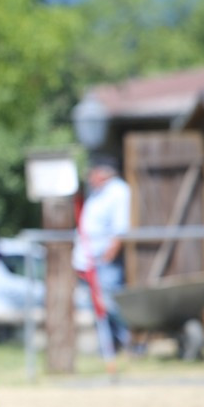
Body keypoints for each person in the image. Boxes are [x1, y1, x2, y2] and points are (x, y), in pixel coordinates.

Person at [72, 154, 131, 361]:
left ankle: (128, 342)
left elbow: (119, 230)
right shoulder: (97, 193)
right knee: (97, 307)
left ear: (103, 172)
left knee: (110, 304)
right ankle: (109, 346)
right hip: (89, 261)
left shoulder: (117, 191)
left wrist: (106, 258)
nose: (89, 177)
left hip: (103, 261)